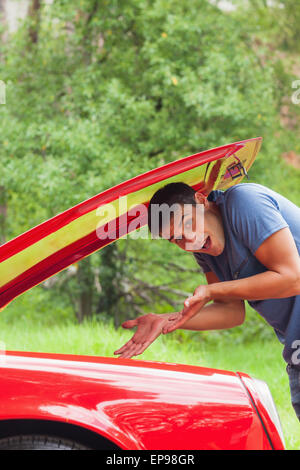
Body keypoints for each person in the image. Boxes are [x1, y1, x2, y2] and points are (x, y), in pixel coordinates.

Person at [114, 182, 300, 420]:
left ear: (201, 201)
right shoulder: (204, 250)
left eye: (188, 223)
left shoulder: (244, 202)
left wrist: (213, 291)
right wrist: (167, 320)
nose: (189, 239)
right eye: (177, 238)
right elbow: (231, 312)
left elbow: (293, 277)